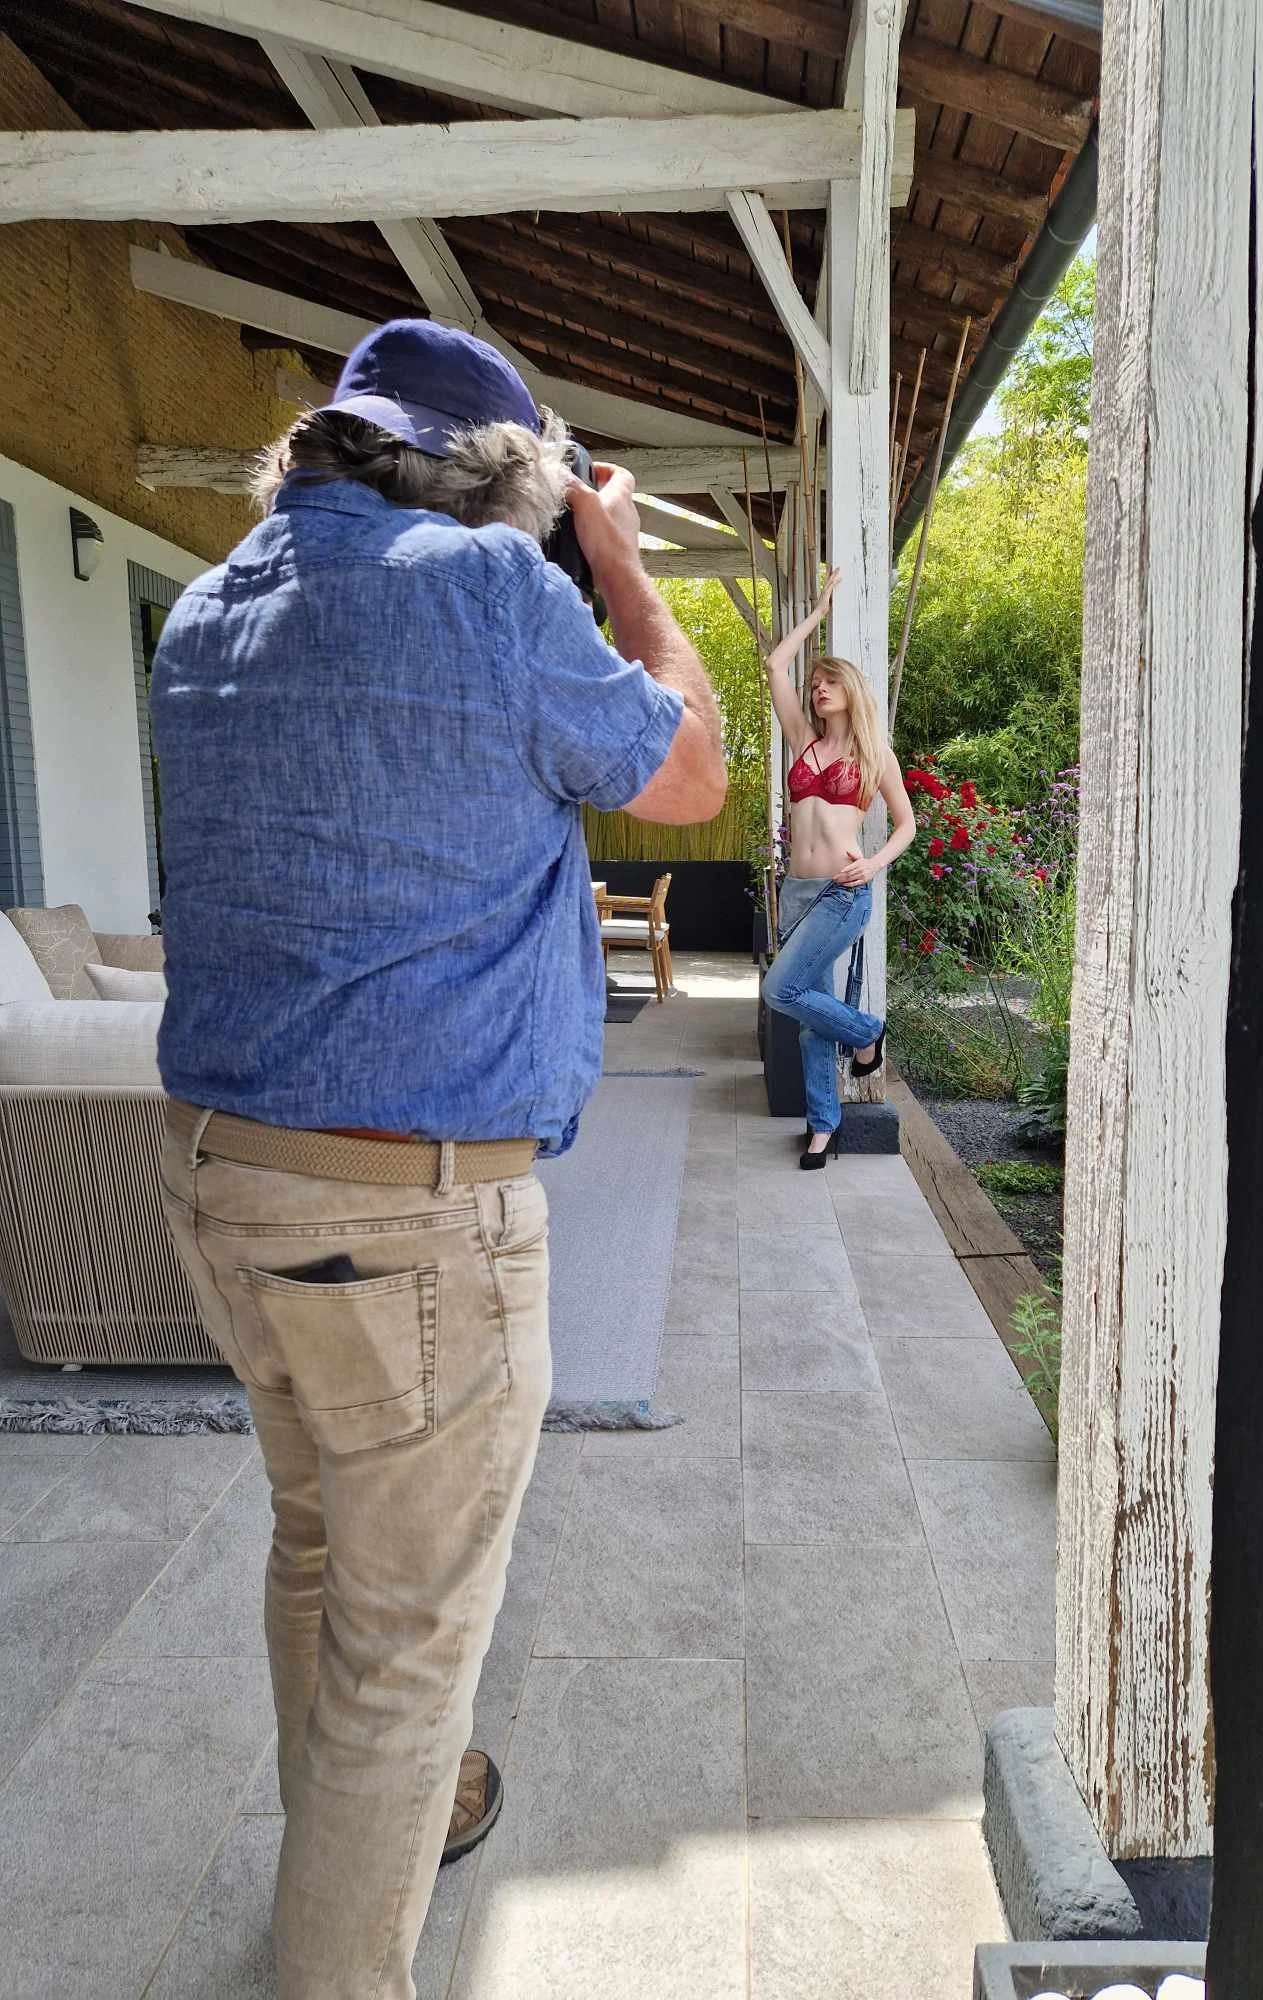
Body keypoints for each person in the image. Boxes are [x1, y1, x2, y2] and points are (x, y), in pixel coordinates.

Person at [150, 319, 725, 2000]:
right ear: (502, 478)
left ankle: (410, 1803)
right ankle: (354, 1924)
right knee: (405, 1652)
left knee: (319, 1543)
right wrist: (618, 564)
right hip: (408, 1218)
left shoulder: (205, 610)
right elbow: (687, 772)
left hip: (223, 1177)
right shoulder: (487, 594)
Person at [759, 567, 916, 1167]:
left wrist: (873, 862)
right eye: (816, 683)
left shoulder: (875, 755)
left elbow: (907, 825)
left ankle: (868, 1032)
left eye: (829, 682)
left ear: (851, 690)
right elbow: (777, 666)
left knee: (782, 989)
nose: (818, 689)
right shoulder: (802, 740)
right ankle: (823, 1126)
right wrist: (817, 617)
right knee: (807, 1020)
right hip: (797, 893)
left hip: (842, 892)